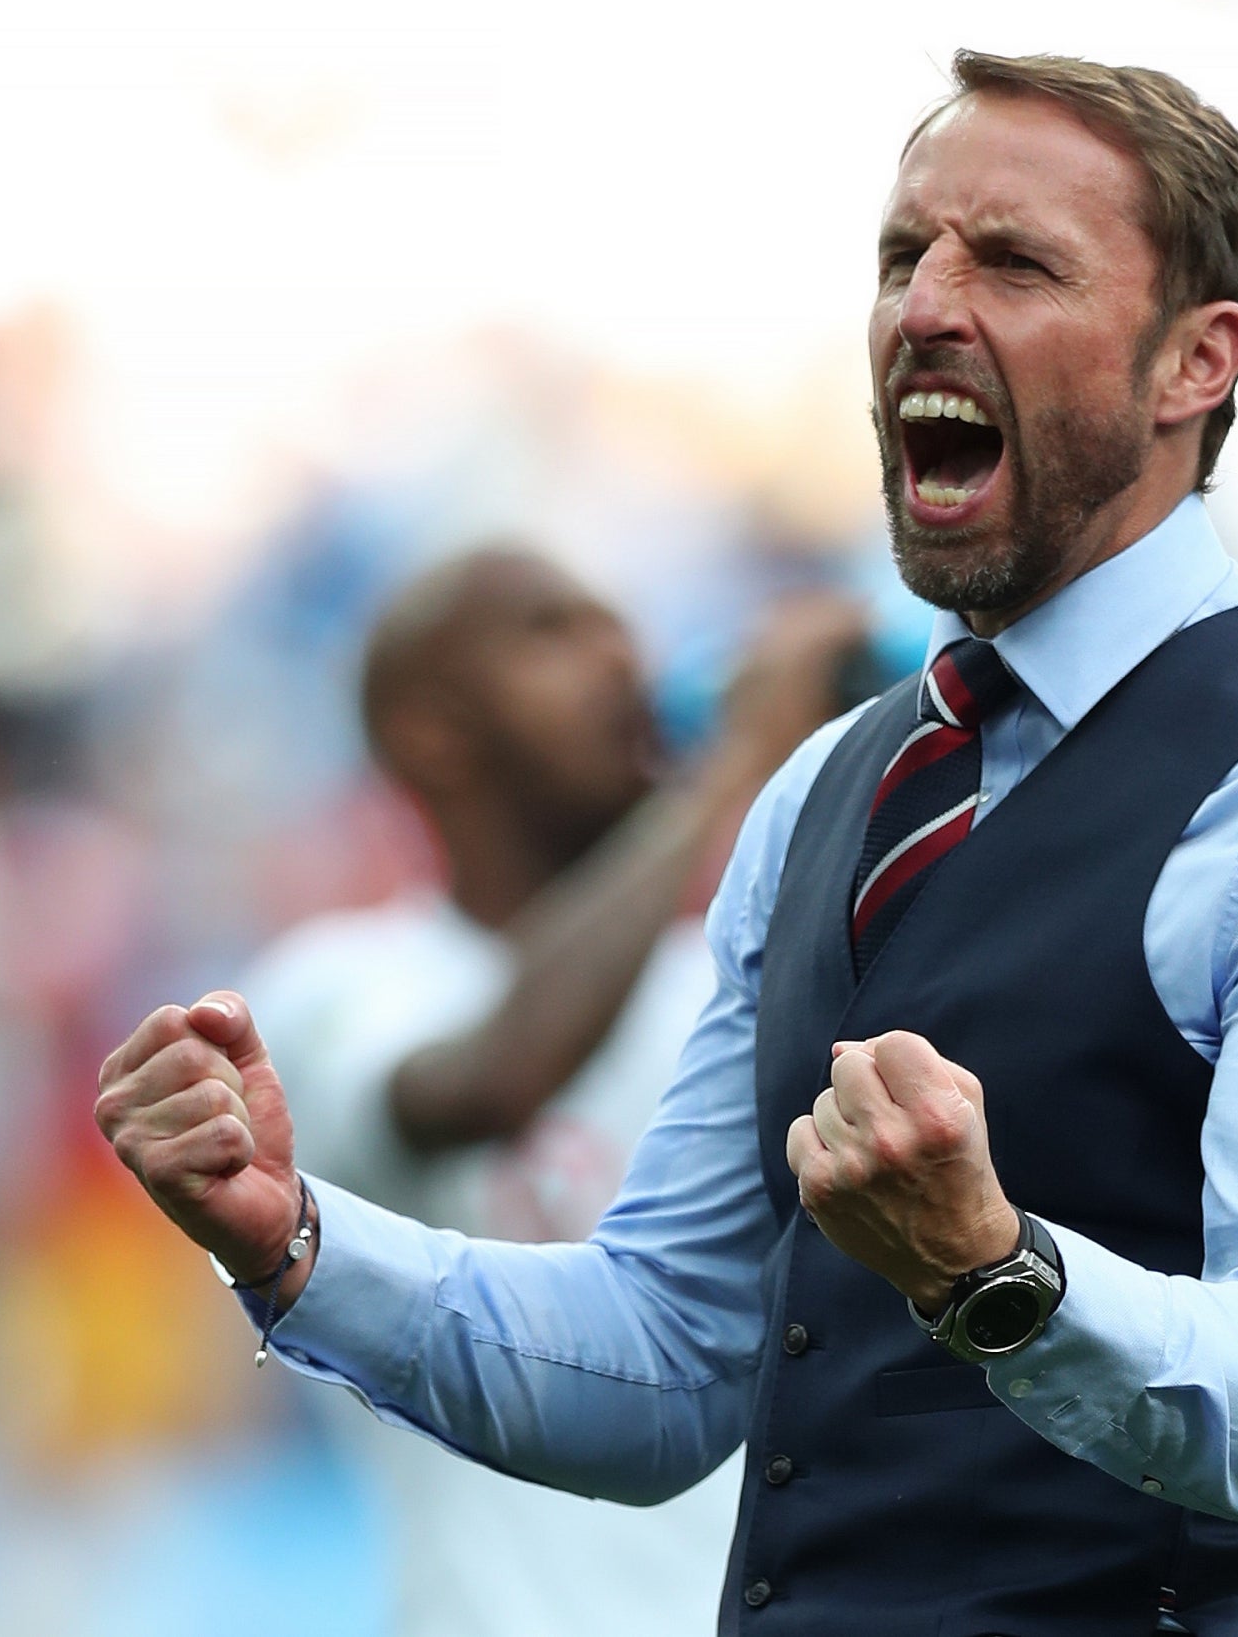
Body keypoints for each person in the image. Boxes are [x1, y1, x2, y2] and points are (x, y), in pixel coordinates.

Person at [98, 52, 1238, 1636]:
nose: (927, 304)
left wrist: (997, 1267)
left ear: (1196, 361)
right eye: (903, 254)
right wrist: (295, 1241)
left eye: (1015, 261)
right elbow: (662, 1354)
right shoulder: (829, 791)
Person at [239, 548, 865, 1637]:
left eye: (618, 626)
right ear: (427, 728)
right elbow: (490, 1079)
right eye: (552, 632)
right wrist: (731, 771)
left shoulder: (744, 985)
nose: (617, 657)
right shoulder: (333, 989)